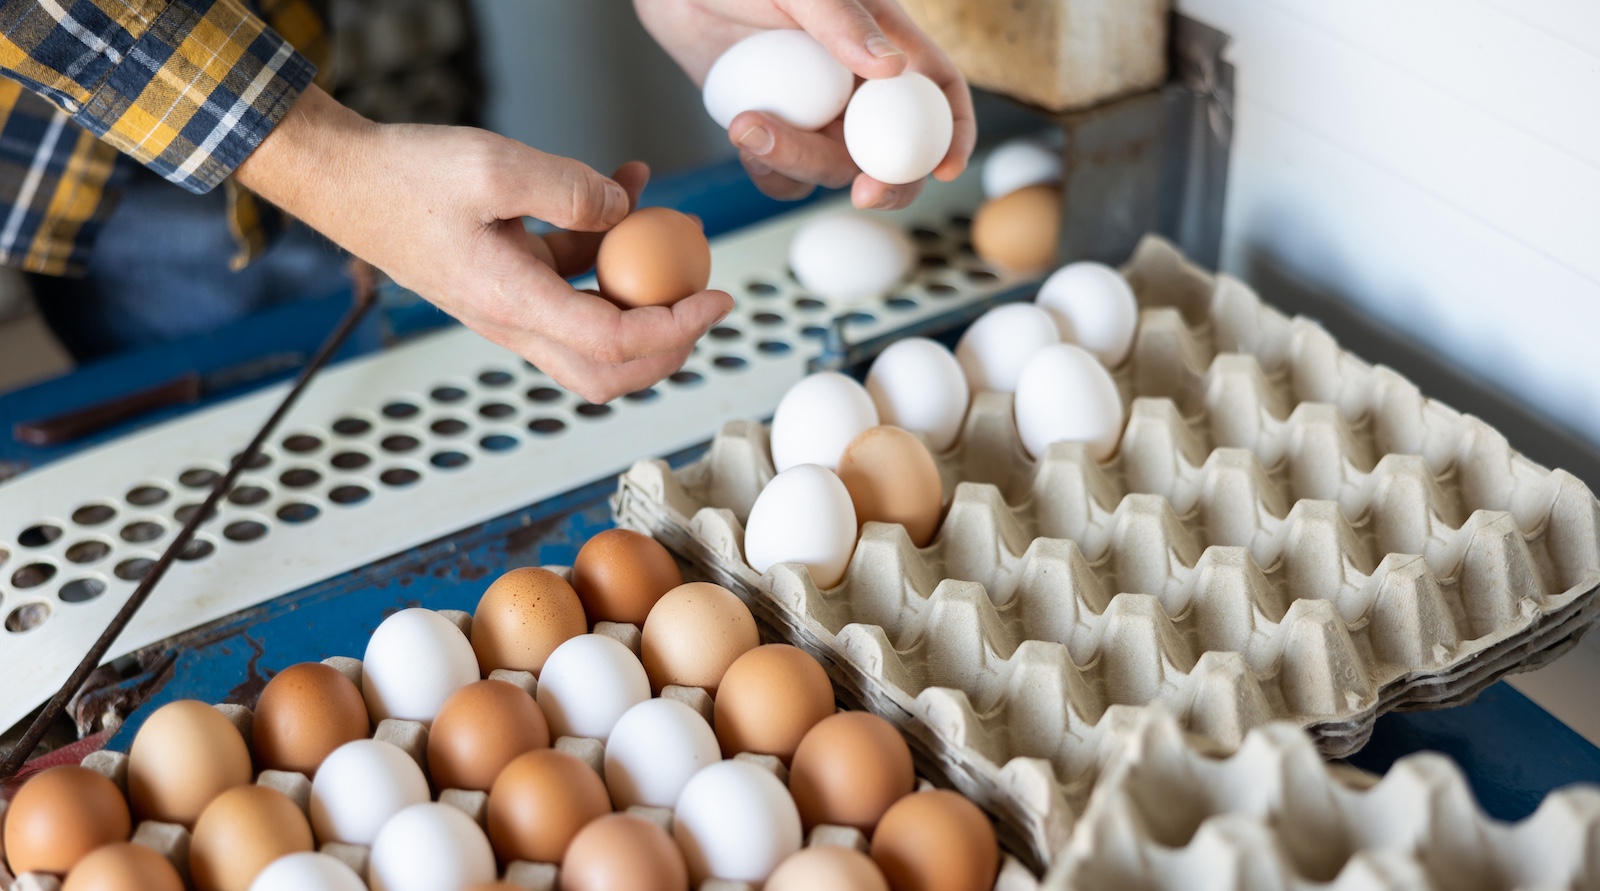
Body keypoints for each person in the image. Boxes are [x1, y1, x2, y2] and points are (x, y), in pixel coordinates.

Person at [0, 0, 974, 403]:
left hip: (352, 27)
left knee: (445, 259)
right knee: (226, 375)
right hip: (117, 95)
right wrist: (320, 157)